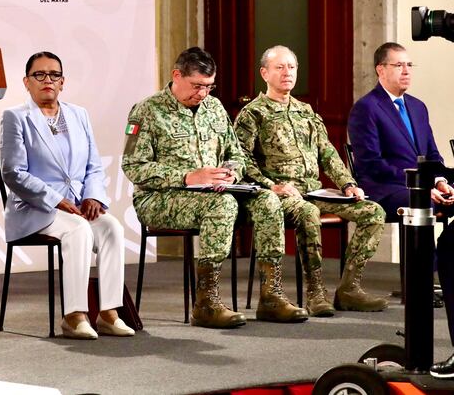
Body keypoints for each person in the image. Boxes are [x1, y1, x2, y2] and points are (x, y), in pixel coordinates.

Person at [122, 47, 308, 329]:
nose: (203, 93)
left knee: (268, 201)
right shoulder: (147, 111)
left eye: (209, 86)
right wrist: (189, 177)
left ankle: (271, 296)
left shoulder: (215, 108)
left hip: (217, 193)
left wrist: (231, 174)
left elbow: (236, 155)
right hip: (160, 198)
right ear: (176, 75)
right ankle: (206, 302)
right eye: (197, 86)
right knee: (222, 206)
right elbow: (134, 167)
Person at [234, 45, 387, 318]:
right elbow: (241, 160)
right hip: (279, 193)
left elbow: (327, 152)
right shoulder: (252, 113)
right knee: (308, 213)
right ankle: (316, 291)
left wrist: (348, 185)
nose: (287, 73)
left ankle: (349, 289)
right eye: (279, 67)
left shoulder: (305, 111)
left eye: (291, 67)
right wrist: (272, 185)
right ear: (264, 73)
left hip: (313, 189)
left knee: (373, 212)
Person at [0, 52, 135, 340]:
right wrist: (54, 199)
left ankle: (109, 313)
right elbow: (13, 172)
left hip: (76, 205)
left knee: (111, 227)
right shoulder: (15, 117)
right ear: (26, 82)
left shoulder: (79, 114)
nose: (47, 80)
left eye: (54, 75)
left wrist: (94, 197)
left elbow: (93, 166)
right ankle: (74, 316)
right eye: (39, 75)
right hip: (34, 208)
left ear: (63, 82)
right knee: (78, 229)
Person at [348, 43, 454, 377]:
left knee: (445, 195)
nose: (406, 71)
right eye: (398, 65)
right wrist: (420, 186)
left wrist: (439, 182)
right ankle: (427, 277)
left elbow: (433, 157)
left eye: (409, 65)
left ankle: (441, 270)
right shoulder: (366, 109)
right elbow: (371, 164)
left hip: (420, 186)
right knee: (417, 201)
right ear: (381, 69)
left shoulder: (418, 107)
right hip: (382, 186)